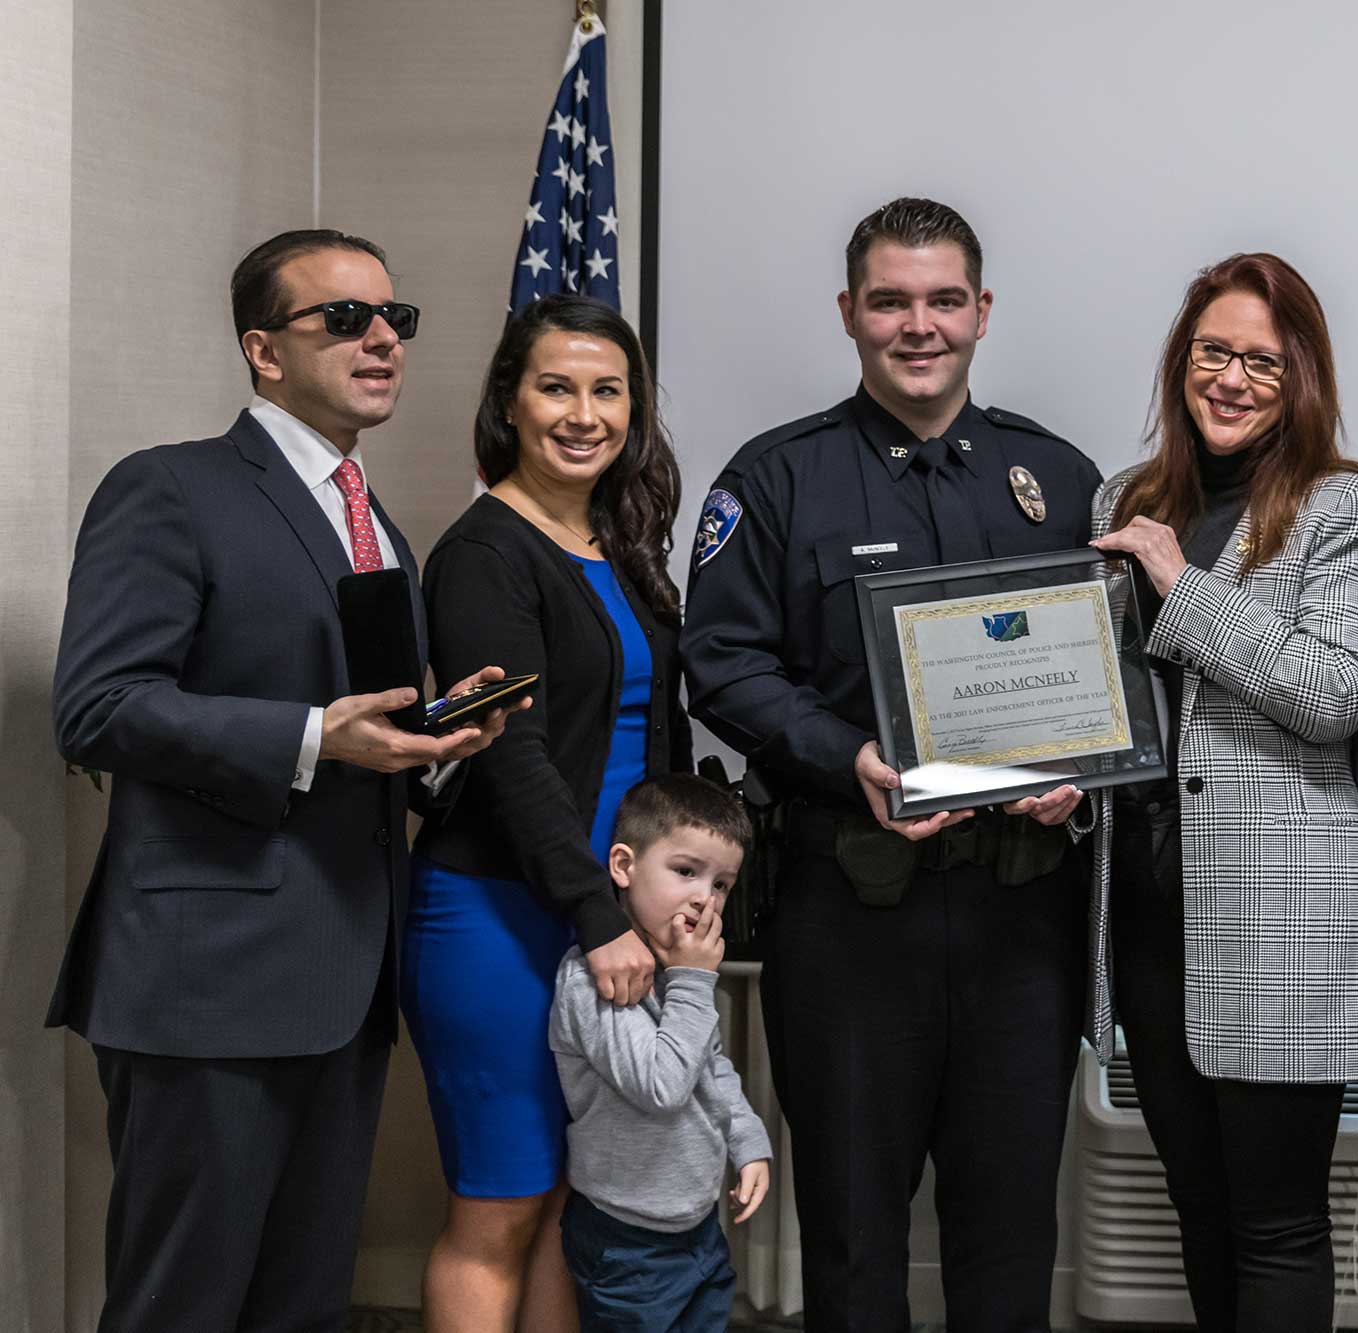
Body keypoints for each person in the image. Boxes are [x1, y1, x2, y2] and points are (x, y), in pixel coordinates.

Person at [49, 228, 515, 1330]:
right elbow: (97, 706)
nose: (381, 341)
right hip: (206, 981)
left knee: (302, 1303)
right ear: (263, 351)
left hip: (344, 978)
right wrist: (312, 735)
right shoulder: (171, 487)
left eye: (394, 319)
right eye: (343, 318)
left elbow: (369, 729)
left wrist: (437, 743)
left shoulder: (375, 524)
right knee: (185, 1302)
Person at [680, 196, 1101, 1332]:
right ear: (849, 314)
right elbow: (718, 664)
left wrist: (1080, 774)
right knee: (855, 1239)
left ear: (981, 311)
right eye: (890, 301)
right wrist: (848, 753)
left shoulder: (1053, 477)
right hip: (851, 912)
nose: (919, 326)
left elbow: (1103, 672)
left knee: (1010, 1232)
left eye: (943, 300)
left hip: (1022, 916)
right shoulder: (775, 480)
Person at [1084, 252, 1358, 1329]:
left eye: (1259, 360)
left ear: (1299, 375)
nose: (1229, 377)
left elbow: (1328, 691)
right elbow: (1102, 704)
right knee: (1198, 1203)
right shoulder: (1123, 501)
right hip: (1144, 907)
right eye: (1211, 352)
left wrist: (1177, 584)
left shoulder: (1339, 504)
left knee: (1274, 1222)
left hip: (1277, 914)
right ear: (1181, 363)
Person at [405, 295, 691, 1331]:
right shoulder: (483, 554)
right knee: (502, 1201)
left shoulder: (618, 543)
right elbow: (509, 755)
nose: (584, 413)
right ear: (510, 403)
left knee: (573, 1196)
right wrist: (595, 911)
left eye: (606, 390)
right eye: (556, 386)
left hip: (606, 916)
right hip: (503, 916)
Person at [550, 774, 773, 1332]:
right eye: (686, 871)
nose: (705, 896)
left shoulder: (680, 973)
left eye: (722, 884)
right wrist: (694, 982)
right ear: (623, 866)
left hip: (697, 1222)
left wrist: (748, 1141)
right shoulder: (594, 980)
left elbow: (711, 1066)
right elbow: (661, 1087)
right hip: (627, 1240)